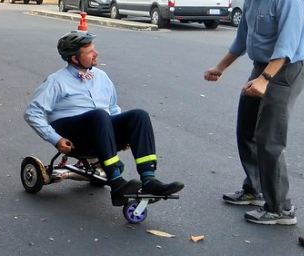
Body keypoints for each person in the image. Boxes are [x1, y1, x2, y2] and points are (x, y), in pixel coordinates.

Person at [204, 0, 304, 225]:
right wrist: (221, 67)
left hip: (284, 71)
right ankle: (256, 188)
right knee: (246, 128)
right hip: (262, 68)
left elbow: (288, 44)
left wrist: (265, 79)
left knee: (269, 139)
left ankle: (281, 209)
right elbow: (243, 38)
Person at [25, 31, 185, 205]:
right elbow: (32, 113)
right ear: (74, 59)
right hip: (73, 136)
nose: (96, 53)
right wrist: (55, 139)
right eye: (89, 51)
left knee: (139, 116)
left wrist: (122, 133)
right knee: (99, 115)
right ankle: (116, 183)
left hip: (101, 130)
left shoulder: (101, 77)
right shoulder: (56, 81)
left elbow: (113, 109)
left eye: (94, 49)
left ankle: (149, 180)